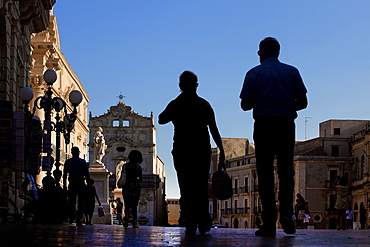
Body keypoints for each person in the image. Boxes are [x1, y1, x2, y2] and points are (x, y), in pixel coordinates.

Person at [240, 37, 308, 237]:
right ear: (278, 52)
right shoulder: (292, 72)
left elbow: (244, 104)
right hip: (286, 124)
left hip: (263, 125)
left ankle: (269, 221)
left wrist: (260, 101)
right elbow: (303, 102)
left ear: (261, 53)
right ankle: (287, 213)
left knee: (265, 172)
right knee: (286, 171)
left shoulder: (253, 73)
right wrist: (286, 105)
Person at [159, 71, 225, 235]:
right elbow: (214, 129)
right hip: (201, 150)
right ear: (196, 85)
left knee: (186, 186)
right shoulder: (204, 105)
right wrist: (222, 150)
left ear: (180, 86)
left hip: (182, 150)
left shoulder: (176, 104)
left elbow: (161, 119)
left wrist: (176, 108)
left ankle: (189, 220)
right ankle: (203, 221)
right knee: (201, 186)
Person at [63, 146, 90, 226]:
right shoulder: (83, 162)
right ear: (78, 152)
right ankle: (79, 218)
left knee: (72, 200)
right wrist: (88, 183)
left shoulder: (68, 162)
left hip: (72, 183)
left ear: (72, 153)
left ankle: (72, 213)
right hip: (81, 183)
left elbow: (65, 175)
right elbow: (86, 174)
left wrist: (64, 185)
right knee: (81, 202)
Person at [121, 150, 143, 228]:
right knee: (134, 205)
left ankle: (126, 219)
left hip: (127, 186)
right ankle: (134, 222)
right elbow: (140, 179)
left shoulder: (126, 166)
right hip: (135, 187)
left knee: (127, 204)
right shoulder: (138, 167)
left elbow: (123, 175)